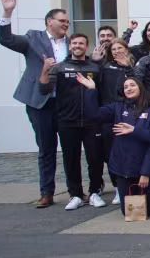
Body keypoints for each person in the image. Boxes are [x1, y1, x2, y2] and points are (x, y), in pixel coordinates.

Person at [0, 0, 67, 207]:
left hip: (65, 103)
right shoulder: (33, 38)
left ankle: (76, 191)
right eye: (62, 21)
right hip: (40, 102)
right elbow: (6, 39)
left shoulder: (72, 43)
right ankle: (47, 192)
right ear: (49, 21)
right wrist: (7, 13)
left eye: (67, 22)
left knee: (71, 147)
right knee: (46, 148)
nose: (66, 24)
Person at [77, 74, 150, 217]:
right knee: (130, 211)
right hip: (124, 170)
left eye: (132, 85)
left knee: (148, 209)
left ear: (140, 88)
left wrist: (146, 172)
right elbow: (94, 115)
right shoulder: (117, 107)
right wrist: (91, 90)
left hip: (145, 170)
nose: (128, 89)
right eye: (125, 87)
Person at [39, 33, 105, 210]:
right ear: (70, 46)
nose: (77, 46)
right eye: (74, 43)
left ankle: (94, 192)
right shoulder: (60, 67)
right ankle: (75, 195)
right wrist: (45, 69)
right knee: (71, 160)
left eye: (81, 43)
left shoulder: (95, 67)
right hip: (67, 121)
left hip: (92, 122)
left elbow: (102, 93)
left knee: (95, 159)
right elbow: (44, 89)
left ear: (86, 46)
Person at [98, 38, 136, 204]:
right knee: (110, 152)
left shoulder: (132, 67)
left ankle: (130, 183)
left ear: (126, 49)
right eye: (114, 49)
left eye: (120, 48)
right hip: (109, 112)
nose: (117, 51)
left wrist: (128, 67)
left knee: (128, 149)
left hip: (127, 111)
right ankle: (117, 187)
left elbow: (138, 85)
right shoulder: (105, 66)